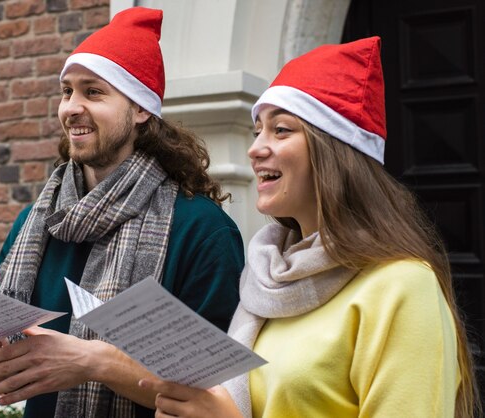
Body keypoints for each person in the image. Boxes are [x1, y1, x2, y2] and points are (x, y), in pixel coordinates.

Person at [139, 36, 480, 418]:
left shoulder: (401, 286)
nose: (255, 148)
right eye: (257, 132)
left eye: (281, 130)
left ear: (333, 151)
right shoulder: (266, 277)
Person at [0, 7, 244, 418]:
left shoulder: (202, 231)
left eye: (93, 92)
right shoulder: (33, 224)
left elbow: (216, 394)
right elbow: (12, 349)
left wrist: (95, 363)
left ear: (141, 110)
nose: (71, 107)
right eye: (66, 91)